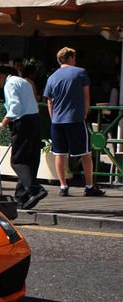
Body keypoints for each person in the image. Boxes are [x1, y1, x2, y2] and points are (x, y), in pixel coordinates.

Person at [43, 47, 106, 197]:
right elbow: (86, 97)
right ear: (70, 58)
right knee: (85, 153)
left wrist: (53, 118)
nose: (75, 60)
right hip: (75, 118)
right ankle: (89, 186)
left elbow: (49, 101)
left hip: (57, 121)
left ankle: (63, 186)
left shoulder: (51, 77)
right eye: (74, 57)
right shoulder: (80, 72)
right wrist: (83, 114)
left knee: (59, 153)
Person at [0, 64, 48, 210]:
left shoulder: (9, 84)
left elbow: (15, 107)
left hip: (22, 122)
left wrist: (2, 124)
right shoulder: (23, 81)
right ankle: (22, 197)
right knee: (30, 160)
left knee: (18, 160)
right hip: (35, 119)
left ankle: (35, 189)